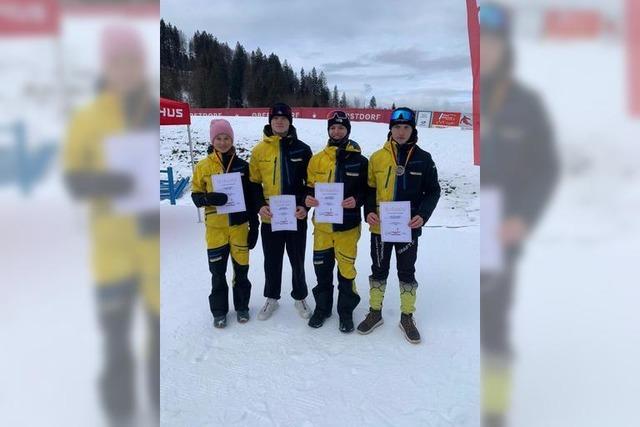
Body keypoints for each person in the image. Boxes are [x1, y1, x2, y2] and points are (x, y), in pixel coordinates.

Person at [63, 26, 159, 426]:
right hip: (112, 248)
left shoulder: (152, 113)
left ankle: (156, 404)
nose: (127, 69)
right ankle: (119, 409)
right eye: (118, 62)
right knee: (117, 333)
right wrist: (108, 183)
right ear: (107, 66)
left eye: (134, 61)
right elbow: (73, 179)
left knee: (154, 329)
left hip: (150, 244)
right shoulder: (88, 118)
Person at [480, 3, 559, 426]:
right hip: (471, 223)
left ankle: (494, 410)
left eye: (493, 43)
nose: (487, 50)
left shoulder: (525, 103)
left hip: (502, 227)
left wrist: (523, 218)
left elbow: (547, 169)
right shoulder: (471, 96)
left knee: (493, 321)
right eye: (482, 42)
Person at [357, 107, 441, 344]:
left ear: (413, 129)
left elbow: (433, 191)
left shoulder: (424, 159)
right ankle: (375, 313)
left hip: (408, 227)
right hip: (380, 228)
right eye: (397, 127)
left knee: (406, 272)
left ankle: (407, 316)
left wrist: (423, 215)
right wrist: (369, 211)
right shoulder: (377, 157)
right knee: (379, 270)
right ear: (390, 129)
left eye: (406, 127)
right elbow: (369, 189)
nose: (401, 132)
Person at [191, 119, 259, 328]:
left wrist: (254, 226)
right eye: (219, 138)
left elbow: (251, 198)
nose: (222, 142)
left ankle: (242, 307)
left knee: (241, 271)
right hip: (216, 230)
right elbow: (195, 195)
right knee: (218, 273)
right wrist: (208, 199)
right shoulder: (203, 166)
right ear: (213, 140)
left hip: (239, 227)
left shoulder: (242, 166)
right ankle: (219, 311)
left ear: (232, 140)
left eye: (226, 138)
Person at [304, 111, 368, 332]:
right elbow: (309, 186)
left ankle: (345, 312)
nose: (337, 131)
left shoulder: (360, 161)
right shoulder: (317, 159)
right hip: (322, 228)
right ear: (328, 130)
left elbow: (367, 191)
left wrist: (357, 200)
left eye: (341, 128)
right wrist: (307, 197)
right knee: (322, 271)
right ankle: (322, 309)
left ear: (348, 130)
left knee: (346, 271)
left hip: (347, 228)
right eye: (333, 128)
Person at [249, 103, 313, 320]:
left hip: (296, 215)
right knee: (272, 260)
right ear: (270, 121)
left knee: (297, 259)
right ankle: (271, 298)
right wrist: (260, 206)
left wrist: (304, 206)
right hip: (271, 216)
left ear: (290, 122)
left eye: (283, 118)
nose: (279, 121)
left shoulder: (303, 149)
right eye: (275, 118)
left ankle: (300, 296)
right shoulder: (258, 151)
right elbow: (254, 184)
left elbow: (310, 183)